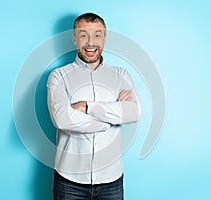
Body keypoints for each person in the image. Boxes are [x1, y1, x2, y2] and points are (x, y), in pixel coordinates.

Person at [47, 12, 141, 200]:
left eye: (97, 35)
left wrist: (87, 107)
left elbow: (134, 112)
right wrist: (111, 116)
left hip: (111, 181)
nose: (91, 42)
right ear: (74, 38)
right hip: (69, 181)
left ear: (105, 39)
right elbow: (62, 119)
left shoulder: (121, 75)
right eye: (83, 35)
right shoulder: (58, 76)